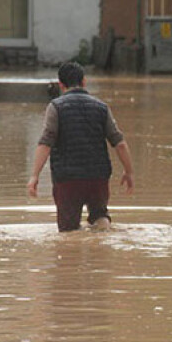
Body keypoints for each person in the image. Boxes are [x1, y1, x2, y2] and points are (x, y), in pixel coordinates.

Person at [27, 62, 135, 232]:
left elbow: (46, 143)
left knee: (68, 230)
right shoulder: (101, 108)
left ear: (61, 85)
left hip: (68, 179)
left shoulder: (56, 107)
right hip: (98, 177)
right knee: (100, 215)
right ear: (84, 82)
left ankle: (72, 254)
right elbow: (119, 143)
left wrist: (34, 175)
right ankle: (104, 238)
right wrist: (128, 172)